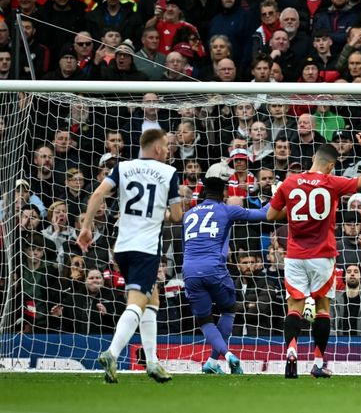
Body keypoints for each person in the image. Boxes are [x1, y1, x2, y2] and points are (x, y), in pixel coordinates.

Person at [77, 129, 183, 384]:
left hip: (121, 248)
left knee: (152, 300)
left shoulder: (122, 168)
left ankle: (152, 362)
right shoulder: (168, 173)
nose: (168, 151)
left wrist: (86, 227)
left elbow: (97, 194)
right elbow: (177, 216)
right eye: (166, 147)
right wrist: (163, 214)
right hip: (145, 249)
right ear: (157, 149)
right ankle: (112, 353)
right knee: (136, 303)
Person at [267, 134, 361, 379]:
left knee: (294, 307)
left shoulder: (289, 183)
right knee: (322, 308)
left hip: (294, 255)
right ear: (330, 165)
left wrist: (295, 211)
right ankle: (317, 362)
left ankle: (291, 351)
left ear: (313, 159)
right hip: (322, 256)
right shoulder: (331, 182)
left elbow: (271, 217)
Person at [182, 176, 271, 375]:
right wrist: (278, 192)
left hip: (189, 270)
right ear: (224, 193)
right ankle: (226, 355)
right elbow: (265, 214)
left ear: (203, 192)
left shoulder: (188, 215)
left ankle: (216, 360)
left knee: (205, 320)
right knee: (228, 311)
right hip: (214, 269)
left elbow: (185, 244)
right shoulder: (226, 209)